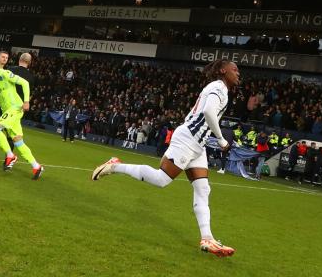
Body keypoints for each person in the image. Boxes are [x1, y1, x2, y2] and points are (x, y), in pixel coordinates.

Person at [91, 59, 240, 258]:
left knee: (203, 189)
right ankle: (115, 166)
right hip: (188, 139)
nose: (238, 73)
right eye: (234, 69)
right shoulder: (218, 86)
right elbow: (208, 111)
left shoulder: (221, 88)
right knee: (161, 180)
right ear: (223, 70)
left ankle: (207, 238)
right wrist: (221, 139)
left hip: (198, 145)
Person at [0, 52, 43, 179]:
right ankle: (36, 166)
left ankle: (10, 155)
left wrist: (26, 101)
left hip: (16, 108)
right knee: (18, 142)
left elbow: (25, 83)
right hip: (7, 111)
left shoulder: (4, 73)